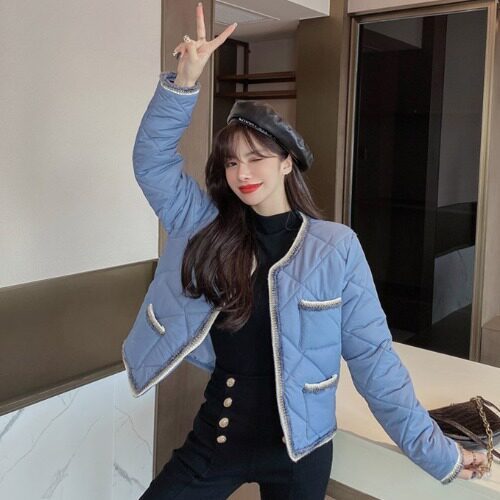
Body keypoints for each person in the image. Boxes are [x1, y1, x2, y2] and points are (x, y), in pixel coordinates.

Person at [123, 3, 489, 499]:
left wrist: (440, 454)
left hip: (300, 452)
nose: (242, 173)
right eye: (231, 162)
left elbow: (375, 363)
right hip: (216, 439)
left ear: (287, 163)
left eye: (257, 158)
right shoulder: (203, 224)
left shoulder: (334, 247)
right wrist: (184, 82)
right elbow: (151, 161)